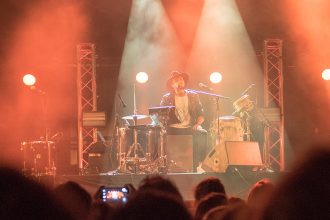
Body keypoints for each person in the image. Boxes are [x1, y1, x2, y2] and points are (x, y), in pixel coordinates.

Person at [160, 70, 207, 172]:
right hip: (173, 128)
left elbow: (201, 113)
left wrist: (198, 124)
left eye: (181, 79)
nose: (180, 81)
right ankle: (167, 165)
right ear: (172, 85)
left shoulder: (193, 96)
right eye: (177, 80)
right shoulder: (167, 98)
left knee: (203, 134)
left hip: (189, 127)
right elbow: (161, 115)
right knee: (161, 135)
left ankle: (198, 165)